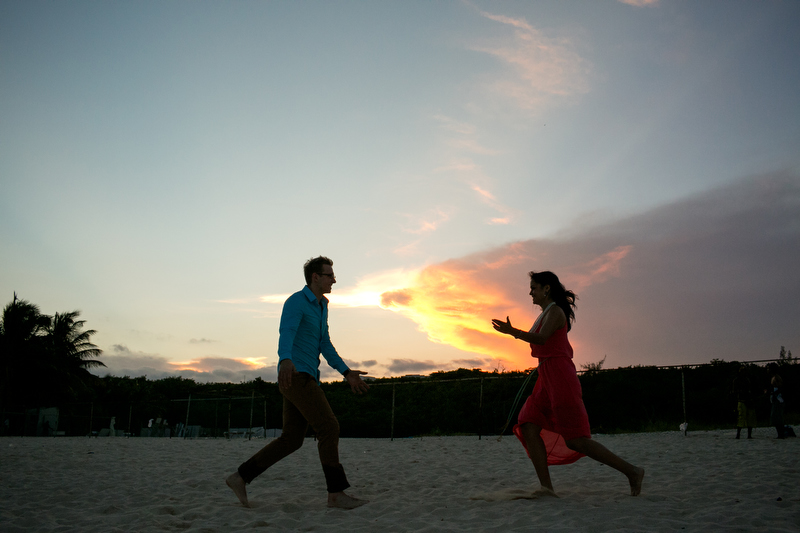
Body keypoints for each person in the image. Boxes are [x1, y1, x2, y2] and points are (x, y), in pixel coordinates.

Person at [226, 256, 370, 509]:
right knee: (329, 427)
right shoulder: (296, 301)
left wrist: (346, 372)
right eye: (329, 275)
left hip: (304, 375)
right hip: (295, 375)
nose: (334, 280)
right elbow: (287, 331)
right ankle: (336, 493)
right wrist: (285, 360)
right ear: (315, 277)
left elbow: (325, 343)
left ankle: (240, 477)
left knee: (291, 439)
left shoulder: (322, 305)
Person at [492, 270, 644, 497]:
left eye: (534, 287)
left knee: (575, 440)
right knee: (527, 423)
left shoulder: (555, 311)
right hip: (546, 378)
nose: (530, 292)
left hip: (560, 377)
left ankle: (632, 471)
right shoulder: (545, 313)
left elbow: (542, 339)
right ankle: (546, 488)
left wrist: (513, 332)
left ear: (546, 289)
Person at [732, 367, 756, 439]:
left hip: (748, 400)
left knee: (750, 418)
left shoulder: (747, 380)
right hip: (741, 400)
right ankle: (738, 434)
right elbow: (734, 391)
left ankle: (749, 435)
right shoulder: (736, 381)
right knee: (741, 418)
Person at [766, 364, 785, 439]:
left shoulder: (776, 377)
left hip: (778, 400)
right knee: (775, 417)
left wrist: (774, 394)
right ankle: (780, 434)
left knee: (777, 417)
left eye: (768, 369)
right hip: (775, 399)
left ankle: (781, 434)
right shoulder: (773, 377)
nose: (767, 370)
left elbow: (780, 388)